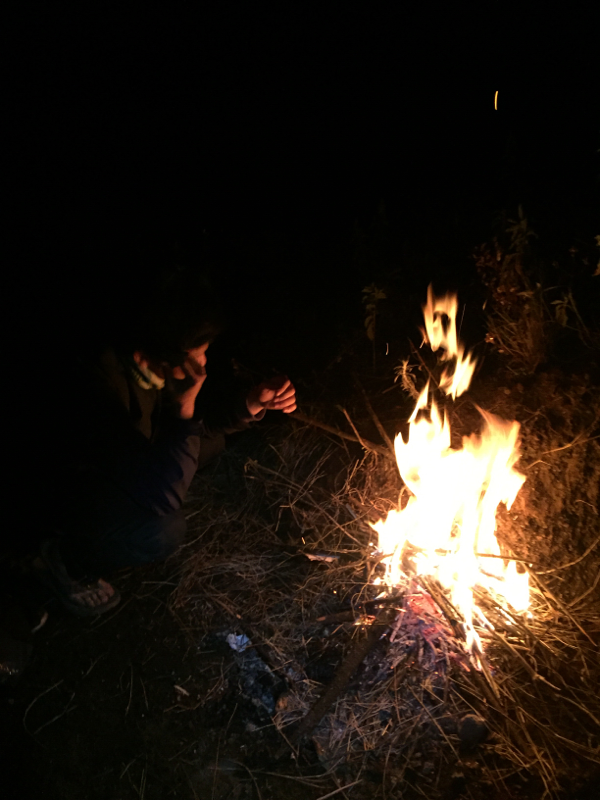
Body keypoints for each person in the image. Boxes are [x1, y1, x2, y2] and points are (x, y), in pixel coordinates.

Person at [33, 268, 296, 616]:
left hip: (124, 469)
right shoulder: (94, 388)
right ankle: (64, 561)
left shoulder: (146, 367)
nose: (203, 363)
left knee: (194, 442)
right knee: (161, 530)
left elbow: (195, 433)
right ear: (152, 353)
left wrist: (251, 403)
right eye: (197, 353)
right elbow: (162, 492)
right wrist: (184, 409)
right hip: (56, 501)